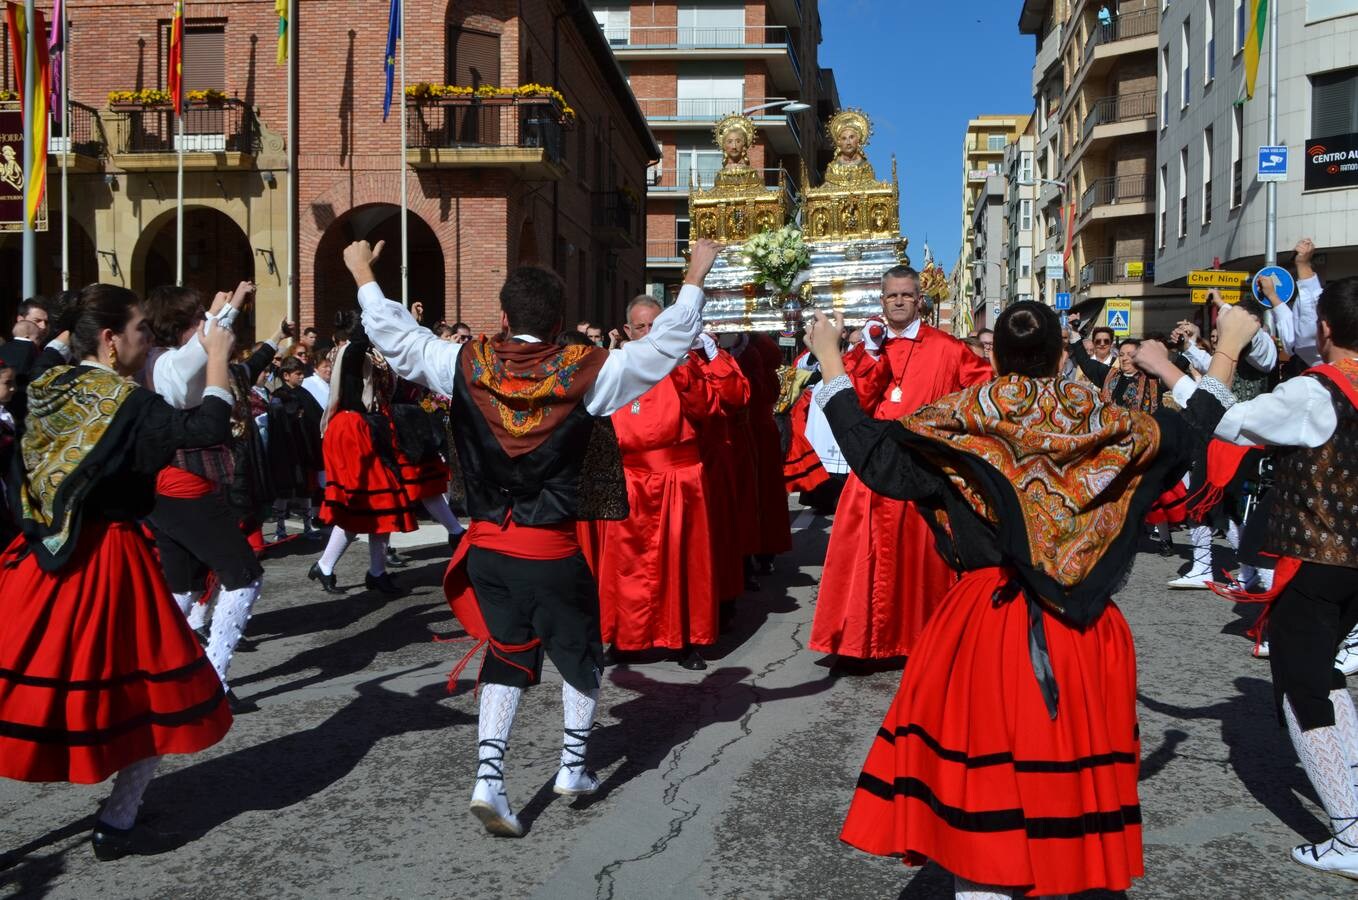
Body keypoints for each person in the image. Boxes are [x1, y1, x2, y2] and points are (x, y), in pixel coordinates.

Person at [811, 299, 1249, 898]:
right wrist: (1222, 351)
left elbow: (869, 449)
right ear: (1061, 354)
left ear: (993, 356)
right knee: (1068, 779)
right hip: (1082, 625)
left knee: (979, 787)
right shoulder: (1111, 420)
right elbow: (1197, 428)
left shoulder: (957, 420)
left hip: (986, 622)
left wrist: (831, 359)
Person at [344, 235, 721, 838]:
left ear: (502, 318)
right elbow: (668, 347)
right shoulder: (593, 371)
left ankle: (488, 778)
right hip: (551, 547)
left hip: (488, 544)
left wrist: (363, 271)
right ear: (561, 323)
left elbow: (399, 339)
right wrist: (696, 273)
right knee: (580, 656)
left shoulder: (462, 362)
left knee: (507, 654)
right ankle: (572, 767)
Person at [0, 284, 235, 860]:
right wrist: (221, 357)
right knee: (157, 693)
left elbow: (45, 351)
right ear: (110, 340)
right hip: (110, 562)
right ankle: (118, 819)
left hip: (41, 562)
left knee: (15, 690)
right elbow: (205, 429)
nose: (146, 341)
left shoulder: (46, 385)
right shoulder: (128, 404)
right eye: (140, 332)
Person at [1144, 277, 1358, 879]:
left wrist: (1171, 369)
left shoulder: (1318, 392)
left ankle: (1347, 832)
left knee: (1302, 687)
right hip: (1351, 564)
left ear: (1325, 331)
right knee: (1325, 677)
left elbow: (1230, 423)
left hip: (1317, 559)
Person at [809, 266, 993, 663]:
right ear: (882, 300)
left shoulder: (948, 347)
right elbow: (849, 402)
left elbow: (983, 393)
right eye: (892, 295)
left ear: (919, 300)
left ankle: (920, 642)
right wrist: (871, 356)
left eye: (906, 295)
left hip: (923, 469)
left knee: (921, 561)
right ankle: (860, 644)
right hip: (872, 468)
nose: (898, 301)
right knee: (865, 561)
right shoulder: (867, 350)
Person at [137, 282, 279, 709]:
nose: (205, 322)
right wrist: (224, 313)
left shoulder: (162, 359)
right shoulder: (167, 365)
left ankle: (156, 671)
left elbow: (204, 342)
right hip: (184, 486)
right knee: (244, 576)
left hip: (170, 489)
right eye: (197, 315)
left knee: (182, 586)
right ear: (181, 323)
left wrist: (228, 307)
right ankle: (212, 677)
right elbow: (202, 351)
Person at [589, 298, 722, 670]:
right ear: (629, 332)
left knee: (682, 563)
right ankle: (625, 638)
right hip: (630, 477)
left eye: (656, 326)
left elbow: (710, 410)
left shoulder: (683, 365)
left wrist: (684, 367)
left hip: (679, 477)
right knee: (626, 565)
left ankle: (685, 641)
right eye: (641, 327)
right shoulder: (616, 367)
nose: (649, 335)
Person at [310, 311, 417, 597]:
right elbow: (359, 344)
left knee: (378, 504)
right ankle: (336, 566)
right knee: (367, 502)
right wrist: (373, 316)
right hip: (351, 429)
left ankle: (369, 571)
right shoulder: (350, 351)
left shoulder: (358, 352)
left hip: (364, 426)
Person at [268, 356, 325, 540]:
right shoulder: (278, 395)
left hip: (304, 449)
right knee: (284, 490)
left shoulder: (305, 393)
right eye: (297, 373)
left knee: (305, 489)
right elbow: (277, 421)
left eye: (302, 373)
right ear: (286, 375)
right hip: (285, 450)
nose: (301, 377)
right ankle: (280, 529)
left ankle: (308, 527)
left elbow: (318, 416)